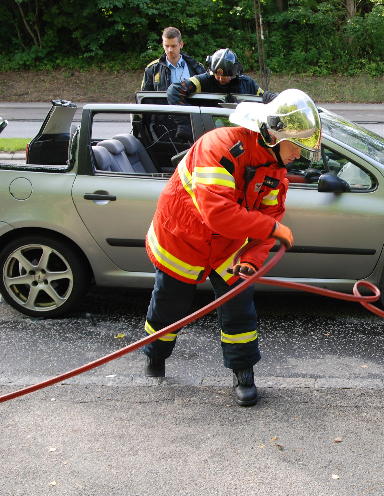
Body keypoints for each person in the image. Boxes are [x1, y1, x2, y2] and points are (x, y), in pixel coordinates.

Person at [141, 89, 322, 407]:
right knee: (169, 305)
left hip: (228, 248)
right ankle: (155, 355)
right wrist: (273, 229)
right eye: (296, 147)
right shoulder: (219, 146)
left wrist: (251, 260)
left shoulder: (276, 174)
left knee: (240, 308)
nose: (298, 156)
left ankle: (243, 374)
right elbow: (218, 213)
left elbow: (267, 223)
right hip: (183, 239)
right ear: (274, 136)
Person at [166, 48, 265, 105]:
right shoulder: (202, 81)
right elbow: (174, 90)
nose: (221, 78)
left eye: (225, 76)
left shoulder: (247, 84)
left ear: (235, 73)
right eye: (217, 74)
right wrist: (186, 121)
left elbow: (264, 97)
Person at [140, 27, 206, 91]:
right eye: (167, 46)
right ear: (163, 45)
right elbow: (144, 97)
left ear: (181, 44)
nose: (170, 50)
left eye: (173, 46)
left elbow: (206, 94)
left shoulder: (197, 68)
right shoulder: (152, 69)